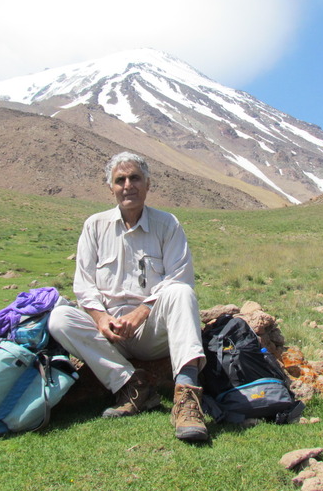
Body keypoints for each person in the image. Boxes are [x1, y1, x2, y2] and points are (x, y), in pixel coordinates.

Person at [48, 151, 209, 442]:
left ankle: (186, 399)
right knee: (59, 317)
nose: (127, 185)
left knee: (182, 292)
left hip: (150, 331)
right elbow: (83, 285)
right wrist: (100, 318)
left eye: (135, 178)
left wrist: (140, 314)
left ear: (147, 184)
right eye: (120, 180)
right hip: (110, 335)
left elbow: (179, 276)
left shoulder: (167, 224)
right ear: (111, 187)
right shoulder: (94, 226)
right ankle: (133, 387)